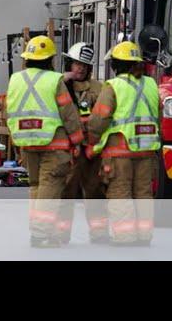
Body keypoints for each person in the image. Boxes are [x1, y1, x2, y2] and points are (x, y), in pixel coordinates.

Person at [6, 36, 83, 248]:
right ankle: (40, 234)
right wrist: (77, 141)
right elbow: (68, 113)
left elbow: (9, 111)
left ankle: (39, 229)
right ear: (49, 59)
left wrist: (17, 140)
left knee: (36, 186)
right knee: (50, 186)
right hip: (53, 143)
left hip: (27, 141)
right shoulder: (54, 80)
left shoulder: (15, 79)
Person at [86, 41, 161, 246]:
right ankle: (144, 236)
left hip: (119, 153)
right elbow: (159, 116)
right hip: (146, 152)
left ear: (117, 64)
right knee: (143, 194)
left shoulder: (113, 86)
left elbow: (99, 119)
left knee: (120, 193)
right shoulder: (152, 84)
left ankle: (125, 237)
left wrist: (90, 141)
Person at [55, 42, 108, 244]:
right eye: (77, 64)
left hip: (91, 148)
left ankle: (99, 232)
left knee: (94, 189)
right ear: (69, 64)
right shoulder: (60, 84)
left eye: (85, 65)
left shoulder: (99, 88)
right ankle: (61, 233)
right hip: (69, 148)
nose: (81, 68)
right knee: (66, 190)